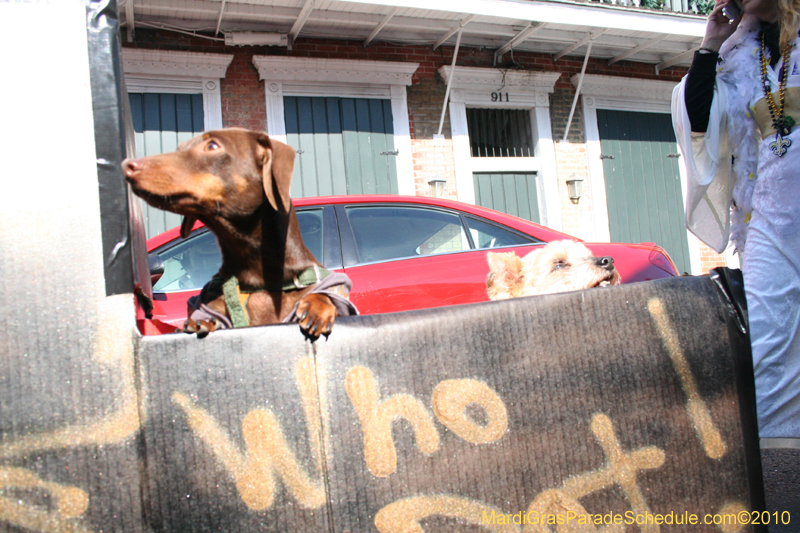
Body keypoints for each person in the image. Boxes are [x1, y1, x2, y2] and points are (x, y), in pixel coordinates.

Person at [672, 0, 800, 439]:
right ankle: (780, 470)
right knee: (769, 340)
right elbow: (698, 118)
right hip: (768, 215)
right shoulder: (742, 48)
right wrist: (710, 46)